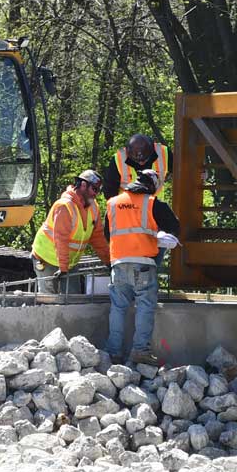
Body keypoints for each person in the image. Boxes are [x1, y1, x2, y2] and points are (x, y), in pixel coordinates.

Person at [103, 169, 180, 366]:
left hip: (118, 264)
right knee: (145, 306)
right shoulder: (153, 204)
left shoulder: (112, 203)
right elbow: (174, 228)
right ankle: (140, 351)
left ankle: (113, 352)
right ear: (153, 185)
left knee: (118, 308)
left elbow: (107, 234)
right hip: (143, 264)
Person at [30, 169, 110, 294]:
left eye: (98, 190)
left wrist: (109, 262)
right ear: (83, 185)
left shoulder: (93, 207)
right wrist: (63, 267)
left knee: (73, 297)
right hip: (45, 258)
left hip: (69, 263)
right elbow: (61, 239)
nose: (96, 194)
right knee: (49, 298)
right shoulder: (65, 206)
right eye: (94, 189)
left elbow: (98, 238)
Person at [102, 133, 170, 199]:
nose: (141, 163)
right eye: (138, 161)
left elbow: (179, 175)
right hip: (128, 208)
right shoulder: (118, 159)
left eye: (144, 160)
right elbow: (109, 191)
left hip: (156, 207)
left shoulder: (164, 153)